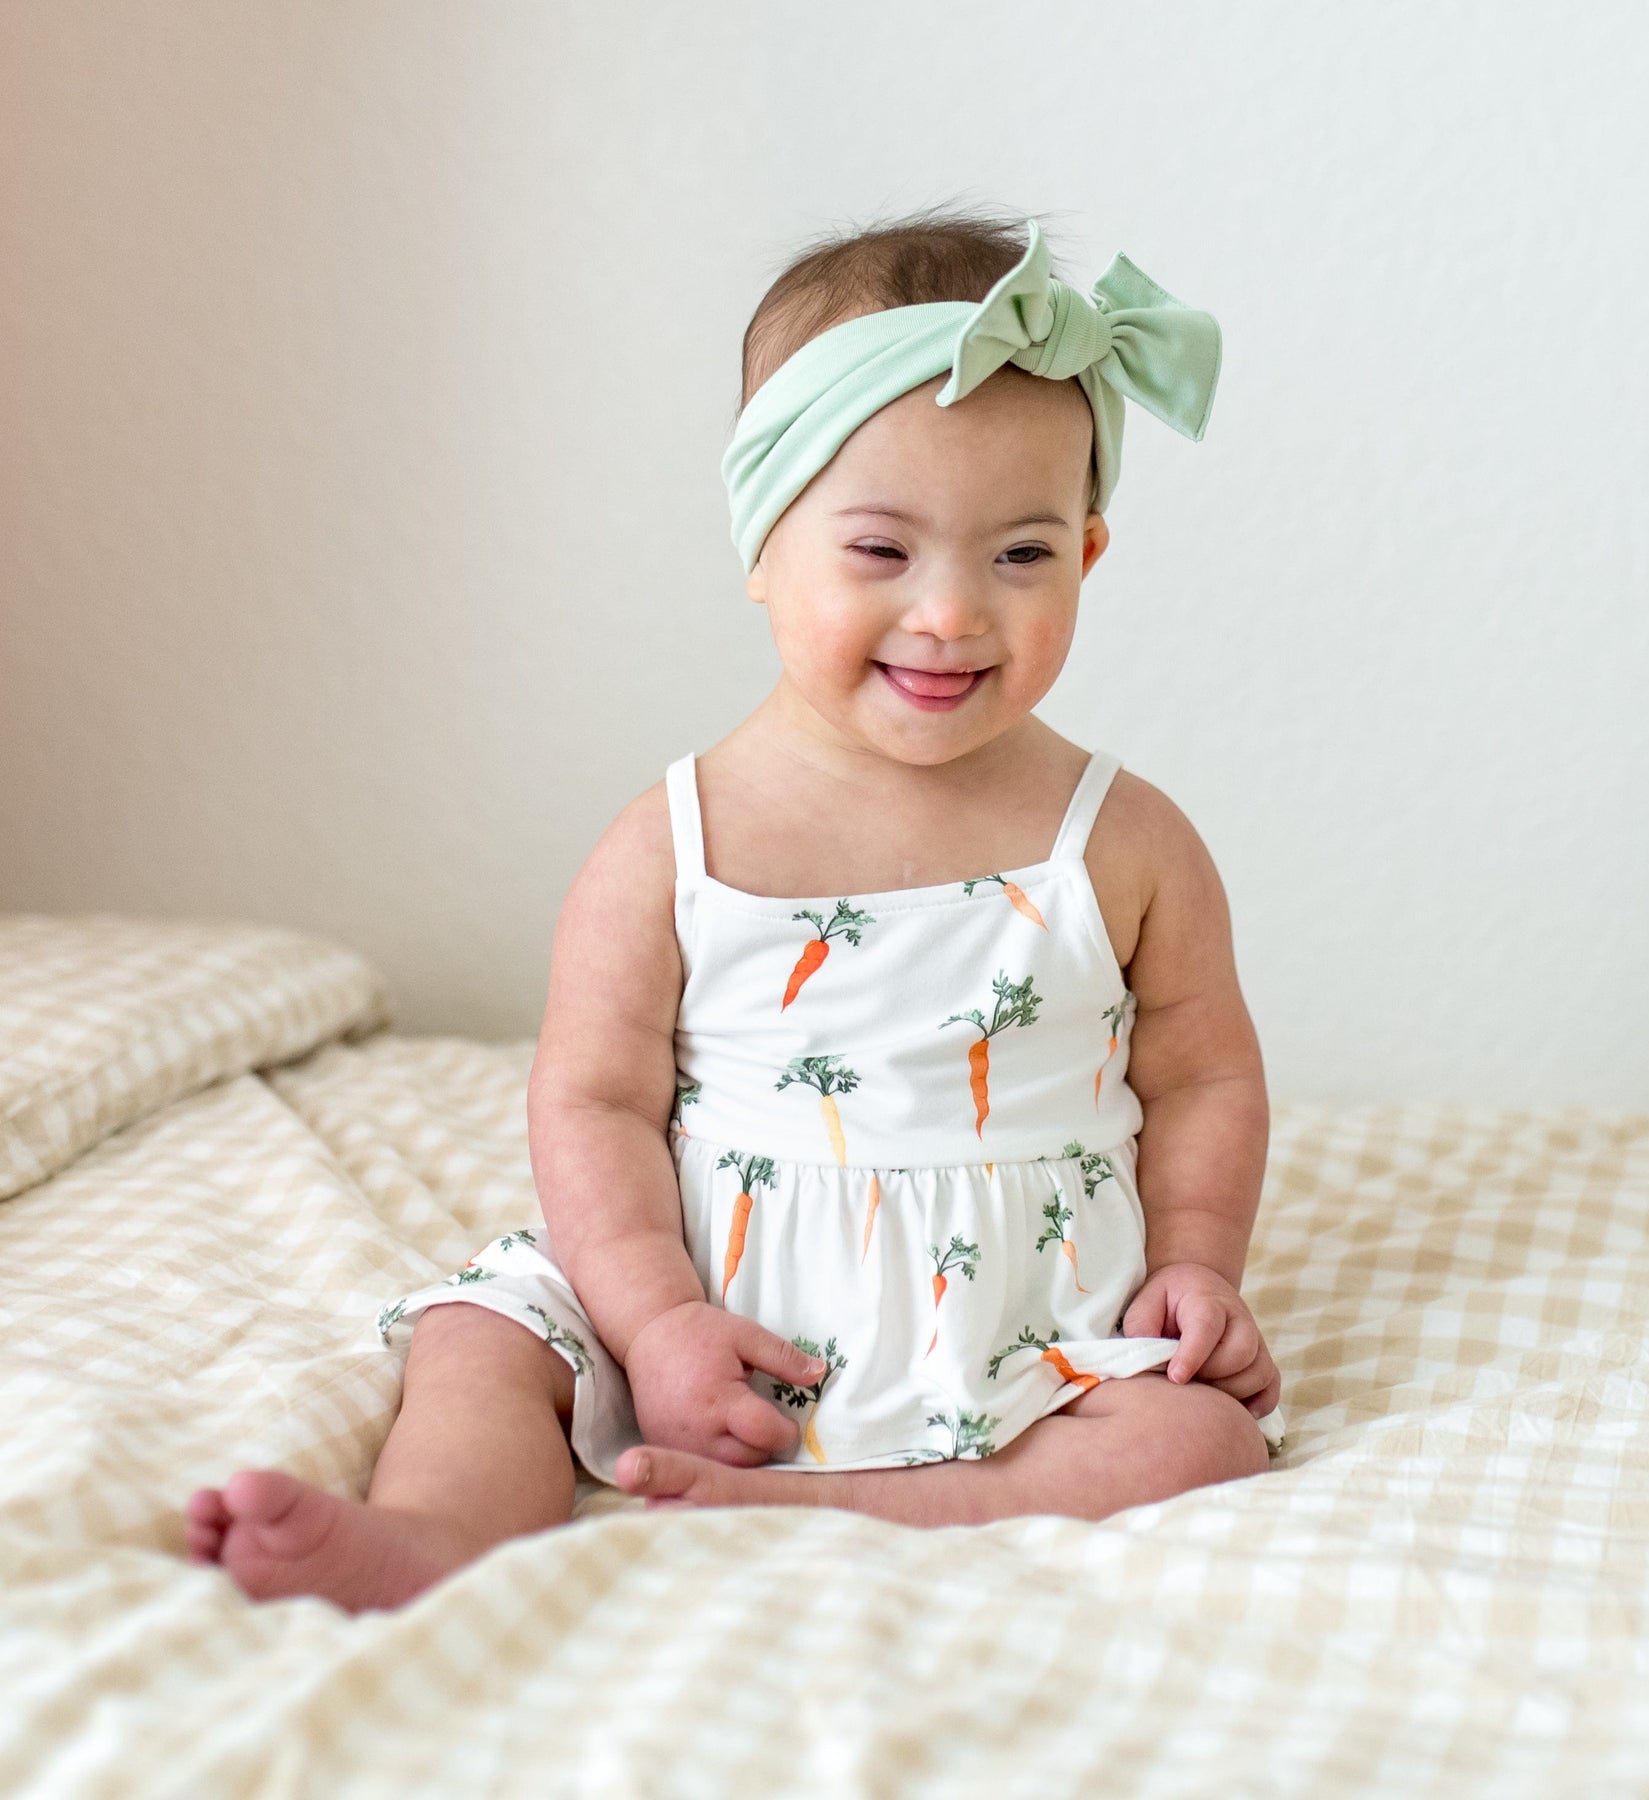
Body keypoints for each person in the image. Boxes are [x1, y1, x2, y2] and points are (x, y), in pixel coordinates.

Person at [187, 206, 1286, 1612]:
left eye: (1021, 555)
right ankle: (433, 1533)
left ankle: (899, 1499)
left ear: (1090, 550)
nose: (952, 614)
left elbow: (1202, 1077)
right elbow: (593, 1100)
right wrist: (654, 1322)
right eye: (881, 551)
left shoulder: (1122, 841)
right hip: (704, 1280)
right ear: (765, 542)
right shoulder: (673, 843)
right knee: (480, 1339)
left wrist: (1194, 1268)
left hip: (1012, 1313)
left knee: (1200, 1435)